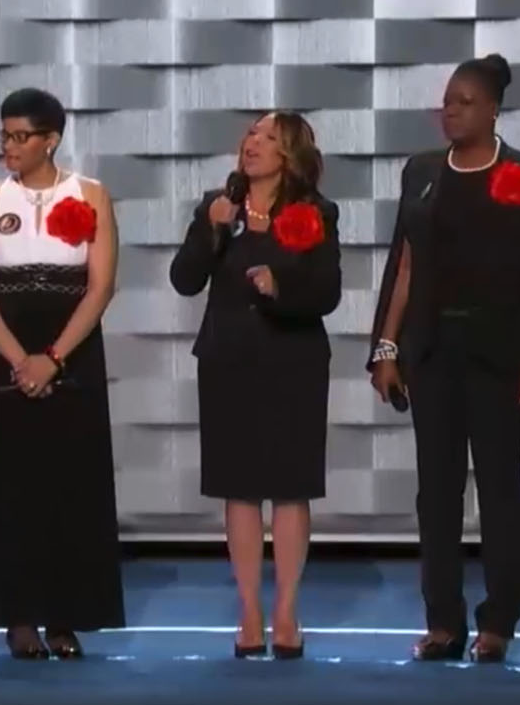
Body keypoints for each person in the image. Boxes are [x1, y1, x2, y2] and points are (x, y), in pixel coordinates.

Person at [367, 54, 520, 663]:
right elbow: (405, 264)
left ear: (494, 108)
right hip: (432, 353)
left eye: (465, 101)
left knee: (501, 489)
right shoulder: (422, 172)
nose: (451, 110)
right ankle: (444, 622)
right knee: (438, 492)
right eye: (448, 100)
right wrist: (385, 346)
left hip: (499, 354)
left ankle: (499, 620)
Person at [0, 87, 125, 659]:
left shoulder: (92, 195)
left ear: (50, 140)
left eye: (19, 135)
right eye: (2, 134)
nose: (8, 145)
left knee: (68, 483)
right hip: (4, 347)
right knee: (8, 485)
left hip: (71, 347)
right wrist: (19, 359)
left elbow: (101, 286)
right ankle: (17, 614)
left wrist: (52, 358)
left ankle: (65, 614)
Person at [170, 111, 340, 660]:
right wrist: (213, 228)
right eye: (250, 134)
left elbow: (326, 291)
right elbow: (184, 278)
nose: (253, 144)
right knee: (238, 486)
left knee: (290, 486)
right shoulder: (218, 205)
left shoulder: (314, 212)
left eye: (268, 138)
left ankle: (287, 612)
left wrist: (279, 283)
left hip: (292, 361)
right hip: (228, 361)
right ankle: (249, 612)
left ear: (289, 154)